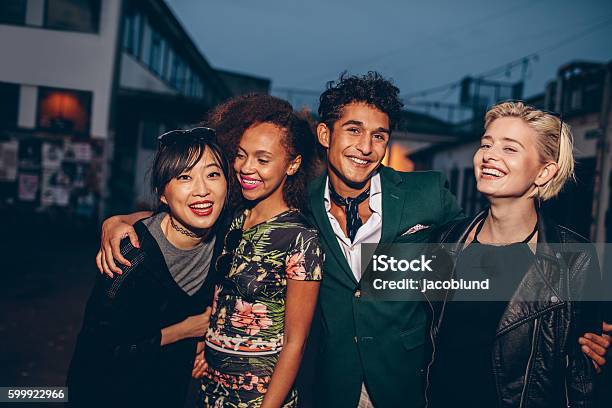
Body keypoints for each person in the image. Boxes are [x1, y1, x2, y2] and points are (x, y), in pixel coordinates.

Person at [97, 74, 610, 408]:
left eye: (380, 135)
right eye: (353, 131)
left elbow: (519, 282)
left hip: (407, 388)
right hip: (328, 385)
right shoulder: (297, 207)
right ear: (324, 136)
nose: (366, 147)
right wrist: (128, 218)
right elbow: (210, 210)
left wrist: (592, 340)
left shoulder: (431, 200)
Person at [97, 94, 324, 408]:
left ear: (293, 164)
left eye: (262, 159)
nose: (246, 167)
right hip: (209, 391)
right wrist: (118, 220)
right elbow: (174, 215)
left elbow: (295, 344)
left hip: (259, 398)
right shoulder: (233, 217)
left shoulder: (301, 238)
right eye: (241, 155)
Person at [424, 101, 603, 407]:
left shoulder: (575, 258)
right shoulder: (446, 240)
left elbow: (584, 374)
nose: (489, 155)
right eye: (486, 144)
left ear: (544, 172)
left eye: (510, 148)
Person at [67, 127, 230, 407]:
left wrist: (204, 347)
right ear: (163, 194)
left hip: (167, 390)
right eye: (184, 177)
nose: (203, 189)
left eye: (213, 174)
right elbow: (98, 354)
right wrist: (185, 330)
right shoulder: (129, 256)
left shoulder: (225, 240)